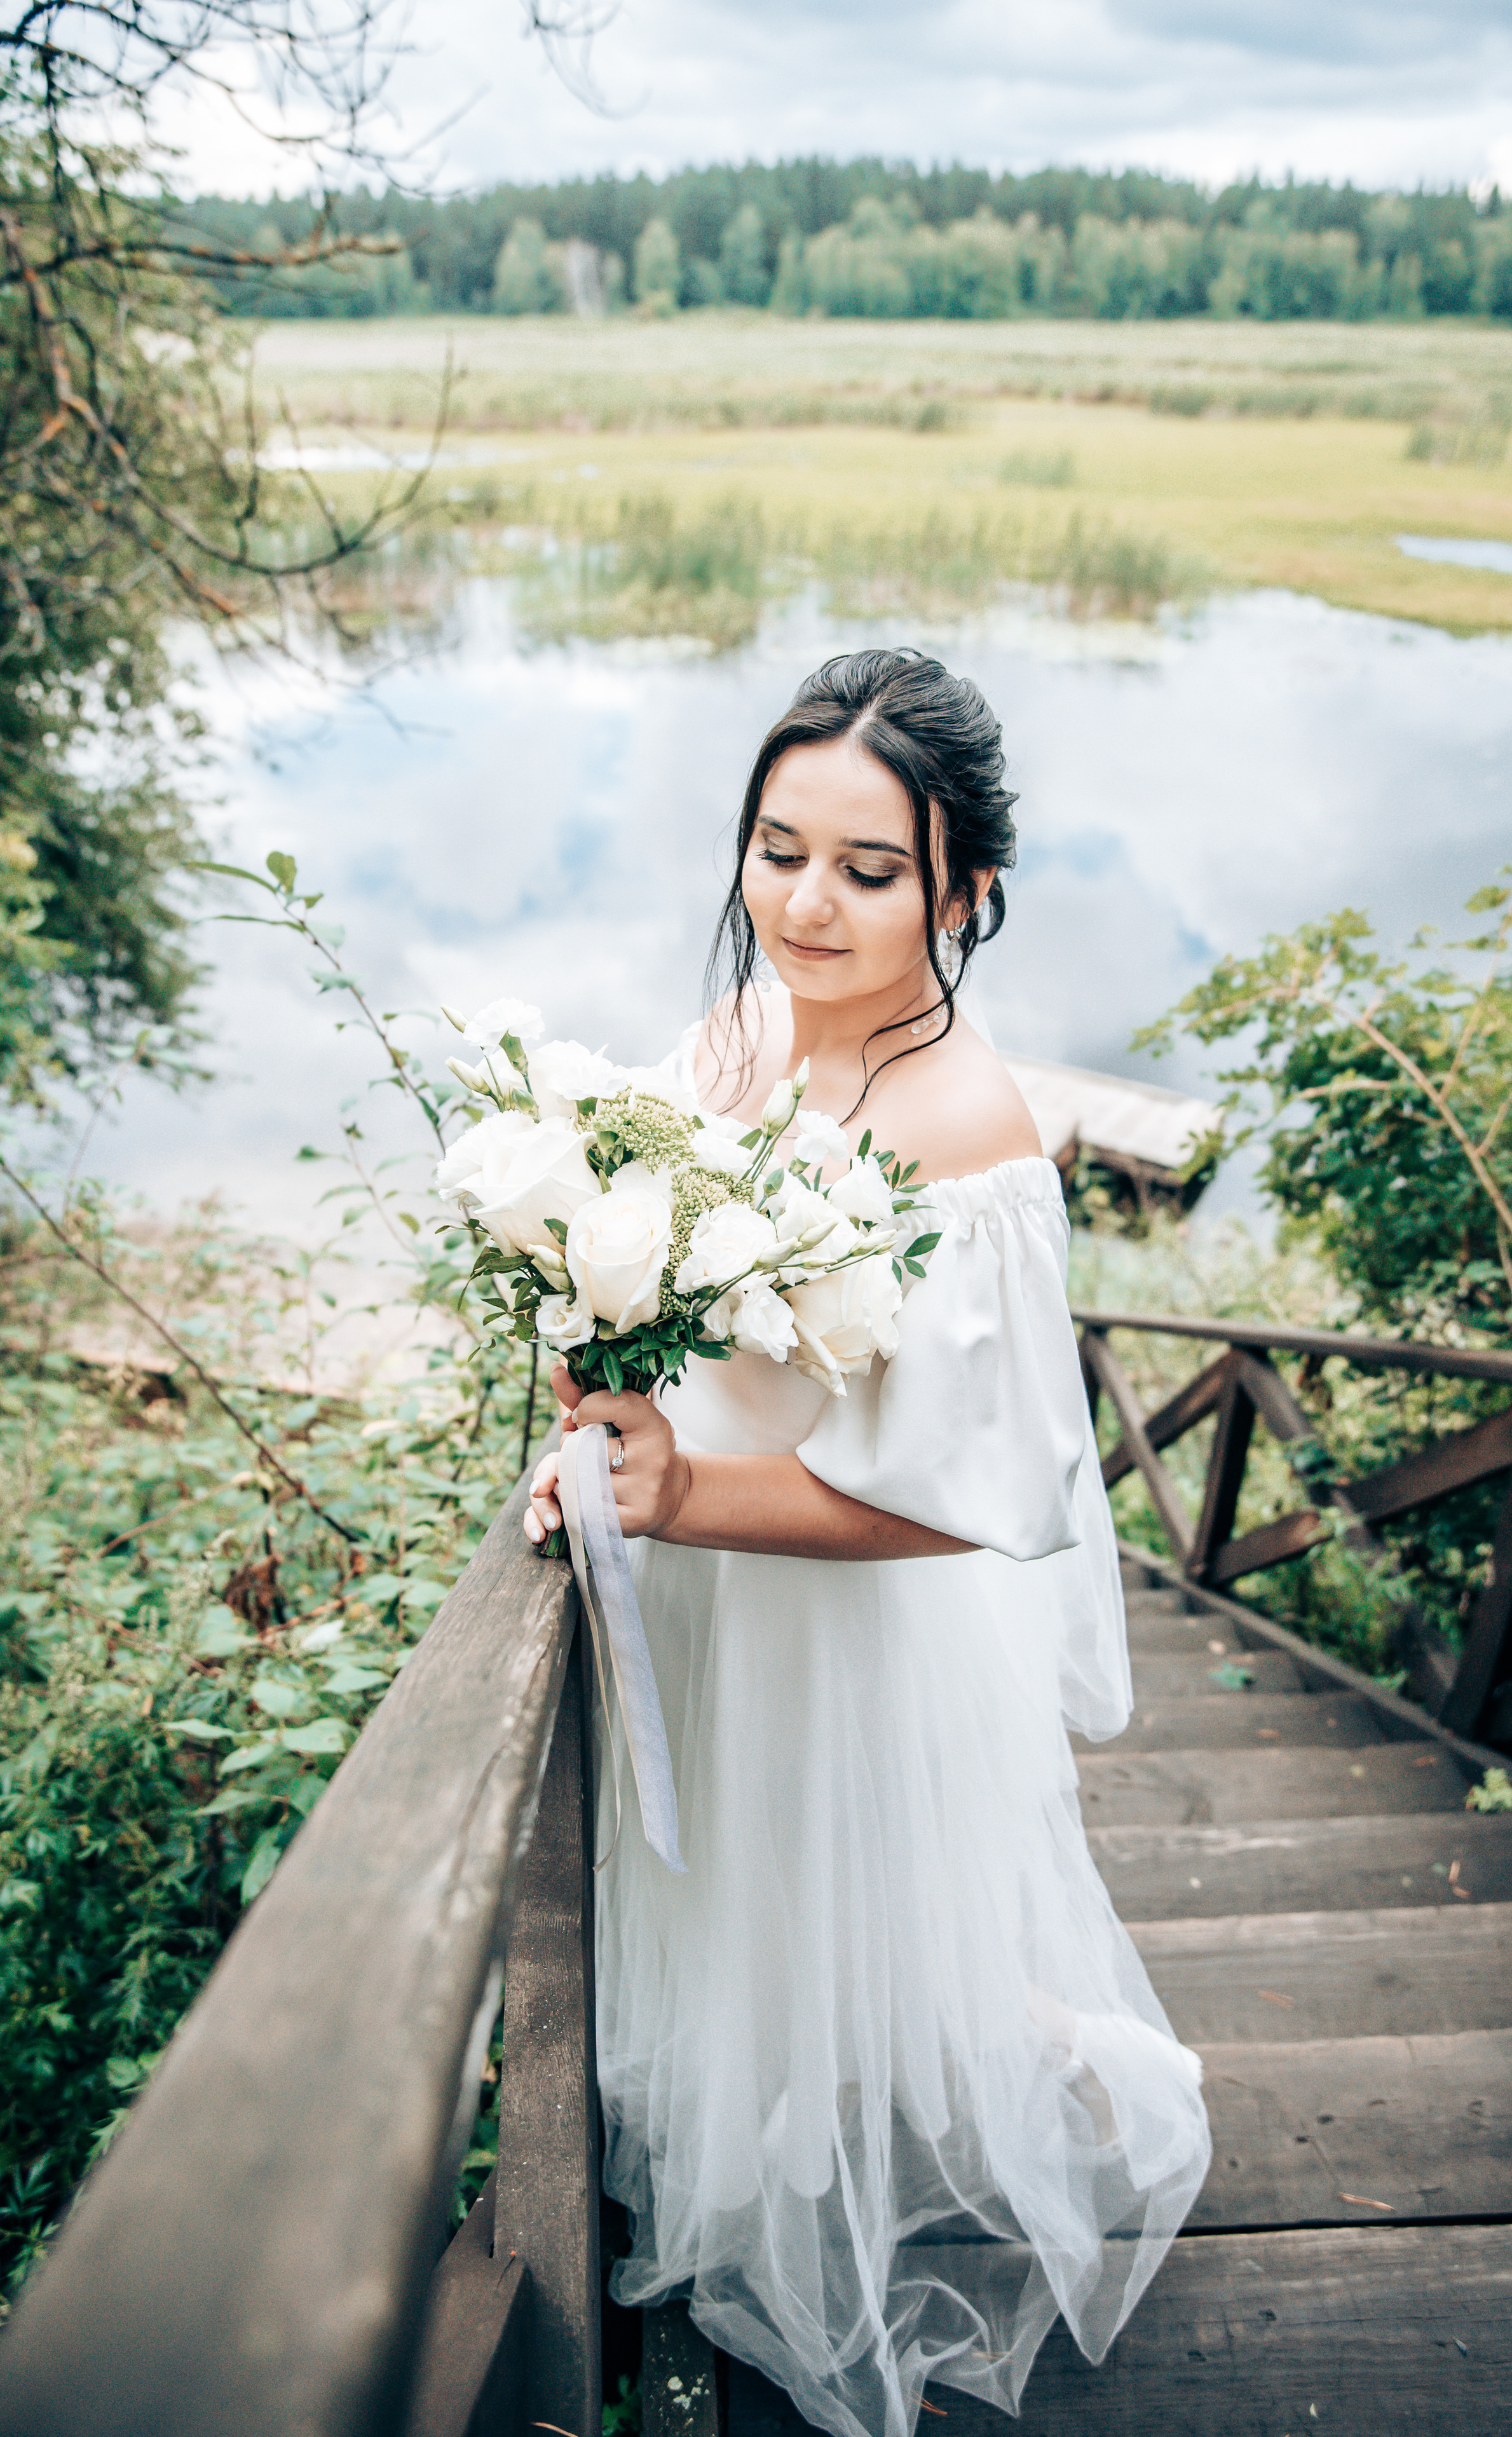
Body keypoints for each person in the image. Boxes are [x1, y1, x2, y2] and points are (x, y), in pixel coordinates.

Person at [524, 650, 1209, 2437]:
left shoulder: (962, 1134)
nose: (805, 903)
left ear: (965, 887)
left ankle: (865, 2183)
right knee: (732, 1904)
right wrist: (598, 1347)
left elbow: (942, 1501)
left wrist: (679, 1490)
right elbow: (668, 1286)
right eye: (776, 848)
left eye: (868, 867)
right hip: (697, 1594)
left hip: (839, 1628)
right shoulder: (735, 1034)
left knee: (848, 1922)